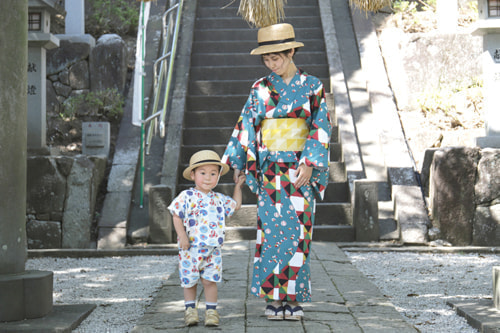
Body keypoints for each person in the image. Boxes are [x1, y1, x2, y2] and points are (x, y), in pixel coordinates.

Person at [222, 23, 331, 321]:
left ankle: (293, 298)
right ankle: (273, 297)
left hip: (300, 171)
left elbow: (321, 126)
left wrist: (310, 162)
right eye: (267, 60)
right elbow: (247, 125)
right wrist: (239, 163)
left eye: (277, 58)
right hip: (270, 172)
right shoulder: (260, 88)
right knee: (271, 235)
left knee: (298, 234)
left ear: (291, 51)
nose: (272, 64)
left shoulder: (312, 86)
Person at [168, 150, 246, 327]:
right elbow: (176, 215)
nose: (208, 178)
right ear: (193, 175)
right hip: (190, 249)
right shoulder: (186, 196)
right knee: (190, 281)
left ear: (218, 176)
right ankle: (190, 310)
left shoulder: (219, 199)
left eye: (213, 173)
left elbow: (236, 205)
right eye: (203, 173)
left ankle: (211, 311)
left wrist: (238, 187)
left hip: (213, 250)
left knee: (210, 281)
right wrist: (182, 236)